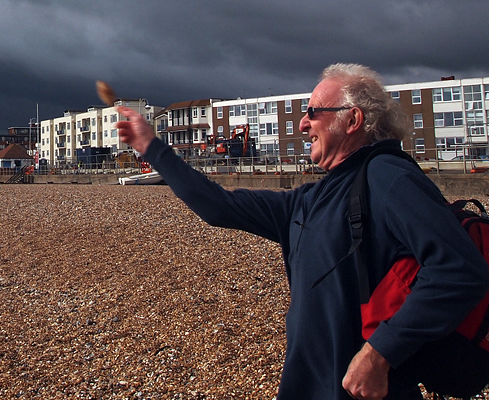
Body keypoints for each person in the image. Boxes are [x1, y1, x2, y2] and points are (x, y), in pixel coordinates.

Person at [115, 63, 489, 400]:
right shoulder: (309, 199)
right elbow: (217, 206)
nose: (302, 124)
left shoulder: (388, 177)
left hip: (365, 391)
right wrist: (152, 146)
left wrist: (379, 354)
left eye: (313, 113)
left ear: (352, 119)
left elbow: (459, 270)